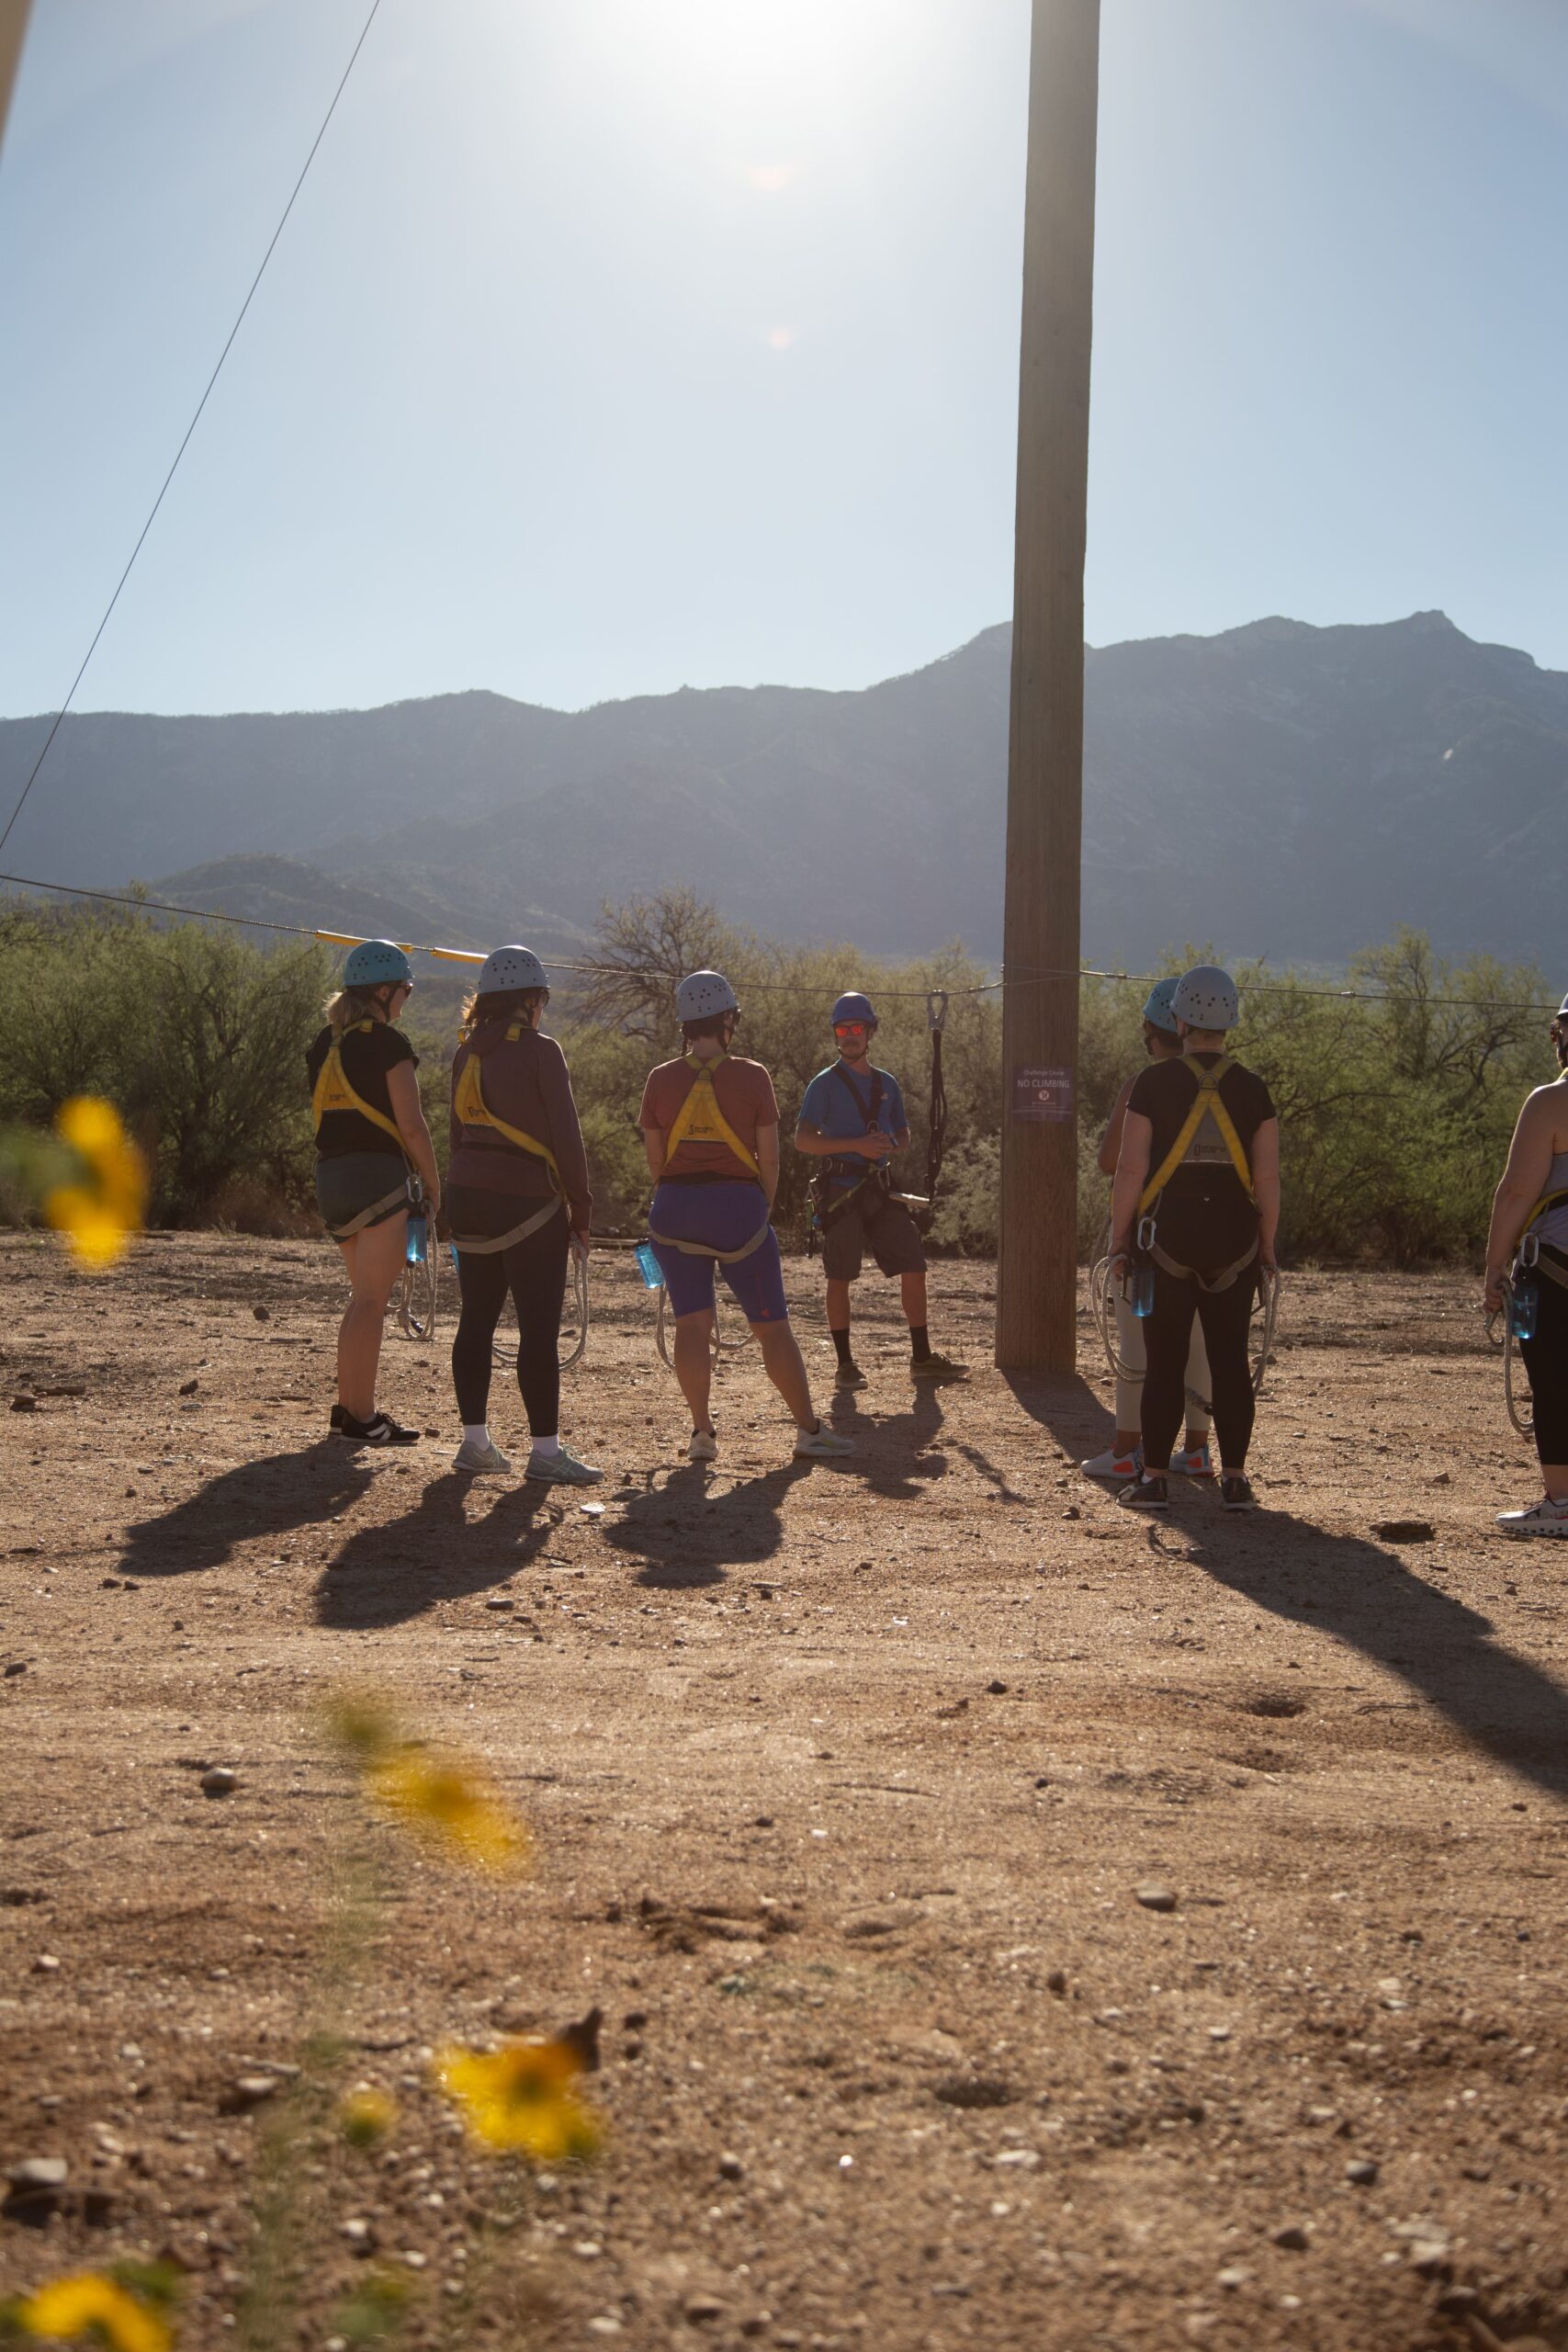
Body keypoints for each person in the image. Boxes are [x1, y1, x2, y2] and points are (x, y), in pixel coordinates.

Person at [639, 969, 852, 1464]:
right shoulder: (753, 1076)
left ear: (686, 1024)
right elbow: (769, 1160)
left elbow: (655, 1163)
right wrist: (760, 1210)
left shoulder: (660, 1079)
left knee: (692, 1325)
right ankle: (809, 1430)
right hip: (739, 1213)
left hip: (674, 1214)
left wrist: (680, 1200)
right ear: (727, 1021)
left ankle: (701, 1433)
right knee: (772, 1329)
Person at [1108, 964, 1280, 1514]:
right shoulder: (1254, 1089)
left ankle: (1154, 1480)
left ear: (1179, 1021)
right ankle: (1235, 1480)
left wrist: (1119, 1241)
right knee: (1230, 1361)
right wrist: (1267, 1249)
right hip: (1236, 1246)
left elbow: (1130, 1171)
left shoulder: (1151, 1084)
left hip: (1165, 1241)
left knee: (1165, 1361)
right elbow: (1267, 1179)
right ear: (1230, 1023)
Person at [445, 945, 603, 1484]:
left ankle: (475, 1444)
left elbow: (456, 1133)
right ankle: (546, 1452)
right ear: (532, 1000)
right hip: (527, 1202)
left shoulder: (465, 1052)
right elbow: (566, 1136)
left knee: (476, 1319)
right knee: (538, 1330)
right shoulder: (542, 1051)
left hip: (467, 1195)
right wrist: (581, 1209)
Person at [794, 991, 968, 1390]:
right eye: (843, 1030)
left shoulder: (887, 1083)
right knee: (840, 1275)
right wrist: (856, 1145)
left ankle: (922, 1358)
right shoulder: (823, 1085)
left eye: (857, 1028)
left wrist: (890, 1144)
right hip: (840, 1191)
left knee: (914, 1263)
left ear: (870, 1032)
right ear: (835, 1035)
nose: (850, 1036)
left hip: (879, 1189)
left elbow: (904, 1135)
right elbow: (803, 1140)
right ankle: (845, 1365)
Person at [307, 939, 440, 1446]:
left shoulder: (324, 1043)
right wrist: (434, 1184)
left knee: (362, 1299)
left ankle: (349, 1410)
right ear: (384, 992)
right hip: (378, 1180)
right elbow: (412, 1126)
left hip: (332, 1180)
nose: (407, 997)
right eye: (406, 989)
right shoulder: (389, 1043)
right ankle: (362, 1417)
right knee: (370, 1302)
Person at [1082, 978, 1213, 1481]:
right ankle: (1197, 1451)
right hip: (1210, 1236)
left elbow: (1109, 1162)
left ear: (1152, 1030)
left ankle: (1126, 1451)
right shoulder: (1221, 1084)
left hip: (1149, 1238)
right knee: (1199, 1342)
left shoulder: (1141, 1086)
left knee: (1137, 1341)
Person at [1484, 990, 1568, 1535]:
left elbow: (1517, 1191)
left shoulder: (1550, 1104)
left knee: (1556, 1383)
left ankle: (1561, 1503)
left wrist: (1494, 1269)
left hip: (1556, 1268)